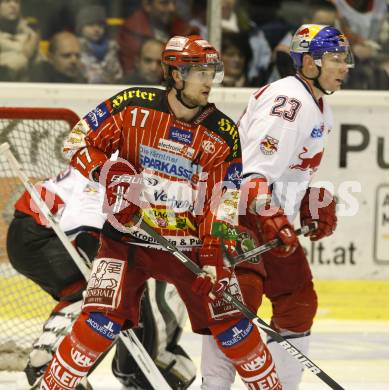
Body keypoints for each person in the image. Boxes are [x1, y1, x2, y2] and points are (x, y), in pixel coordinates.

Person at [39, 35, 288, 390]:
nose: (209, 81)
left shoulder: (222, 133)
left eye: (211, 71)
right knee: (99, 321)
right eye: (200, 72)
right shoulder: (131, 106)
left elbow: (224, 200)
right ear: (175, 73)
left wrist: (212, 257)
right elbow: (77, 141)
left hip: (187, 246)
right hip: (126, 240)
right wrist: (109, 173)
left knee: (234, 325)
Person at [201, 24, 349, 389]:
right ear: (310, 63)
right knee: (238, 304)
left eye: (346, 59)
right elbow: (251, 176)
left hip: (267, 218)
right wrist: (273, 215)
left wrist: (308, 203)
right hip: (235, 217)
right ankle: (213, 386)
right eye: (336, 59)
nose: (344, 67)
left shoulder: (319, 107)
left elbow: (287, 171)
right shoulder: (289, 103)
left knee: (298, 303)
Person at [6, 165, 196, 389]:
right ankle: (52, 364)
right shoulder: (125, 165)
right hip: (43, 233)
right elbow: (88, 214)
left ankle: (50, 361)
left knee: (94, 295)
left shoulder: (136, 160)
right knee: (106, 298)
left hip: (38, 229)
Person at [117, 0, 197, 75]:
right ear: (147, 5)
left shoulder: (185, 31)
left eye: (174, 2)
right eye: (164, 3)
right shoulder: (131, 32)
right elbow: (130, 72)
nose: (172, 8)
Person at [76, 5, 123, 84]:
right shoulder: (76, 48)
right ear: (81, 28)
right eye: (91, 25)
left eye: (100, 25)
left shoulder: (112, 48)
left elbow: (118, 75)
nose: (96, 29)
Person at [0, 0, 39, 81]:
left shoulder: (31, 33)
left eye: (17, 2)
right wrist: (25, 55)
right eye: (7, 1)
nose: (13, 6)